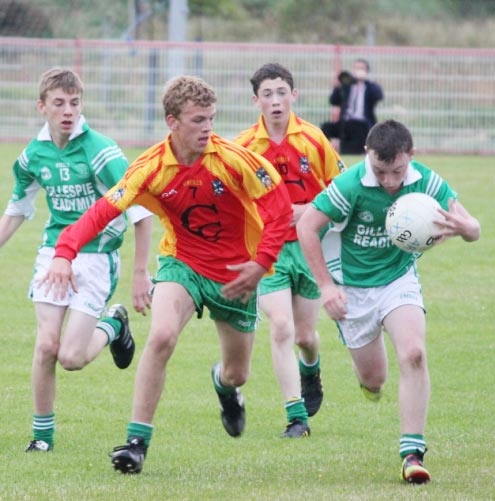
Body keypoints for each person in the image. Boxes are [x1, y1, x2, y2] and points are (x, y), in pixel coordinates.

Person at [40, 75, 293, 474]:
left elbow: (280, 212)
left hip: (236, 274)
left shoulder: (235, 160)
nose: (207, 128)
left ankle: (224, 387)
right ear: (172, 122)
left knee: (237, 372)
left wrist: (261, 263)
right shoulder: (151, 168)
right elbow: (102, 212)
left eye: (211, 118)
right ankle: (136, 443)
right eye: (197, 120)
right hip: (182, 264)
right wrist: (64, 253)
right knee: (160, 337)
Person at [0, 67, 153, 452]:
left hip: (97, 256)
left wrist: (140, 272)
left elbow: (141, 212)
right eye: (59, 103)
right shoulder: (34, 154)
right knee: (47, 346)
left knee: (71, 358)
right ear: (42, 107)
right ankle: (42, 438)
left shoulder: (100, 151)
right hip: (54, 252)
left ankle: (113, 323)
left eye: (75, 103)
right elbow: (18, 206)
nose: (68, 111)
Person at [296, 119, 481, 484]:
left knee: (413, 352)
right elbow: (306, 226)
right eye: (380, 171)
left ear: (410, 157)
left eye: (396, 171)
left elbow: (473, 229)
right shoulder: (351, 184)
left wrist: (464, 229)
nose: (389, 181)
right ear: (367, 156)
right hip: (353, 289)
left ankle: (412, 453)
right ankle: (369, 380)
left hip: (398, 280)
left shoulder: (425, 180)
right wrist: (326, 287)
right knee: (374, 378)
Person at [234, 63, 344, 438]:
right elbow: (235, 201)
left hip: (309, 250)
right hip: (269, 253)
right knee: (281, 326)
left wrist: (308, 211)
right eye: (267, 94)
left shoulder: (314, 140)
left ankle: (311, 369)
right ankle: (296, 417)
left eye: (282, 92)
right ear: (256, 100)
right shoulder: (244, 147)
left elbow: (340, 194)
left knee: (305, 337)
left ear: (293, 95)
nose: (276, 101)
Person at [321, 58, 383, 154]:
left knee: (352, 147)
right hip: (345, 123)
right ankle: (326, 154)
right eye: (356, 68)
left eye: (361, 68)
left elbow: (378, 96)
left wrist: (365, 80)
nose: (358, 71)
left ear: (366, 71)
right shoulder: (347, 86)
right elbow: (333, 101)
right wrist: (337, 87)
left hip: (362, 124)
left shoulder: (370, 87)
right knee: (326, 127)